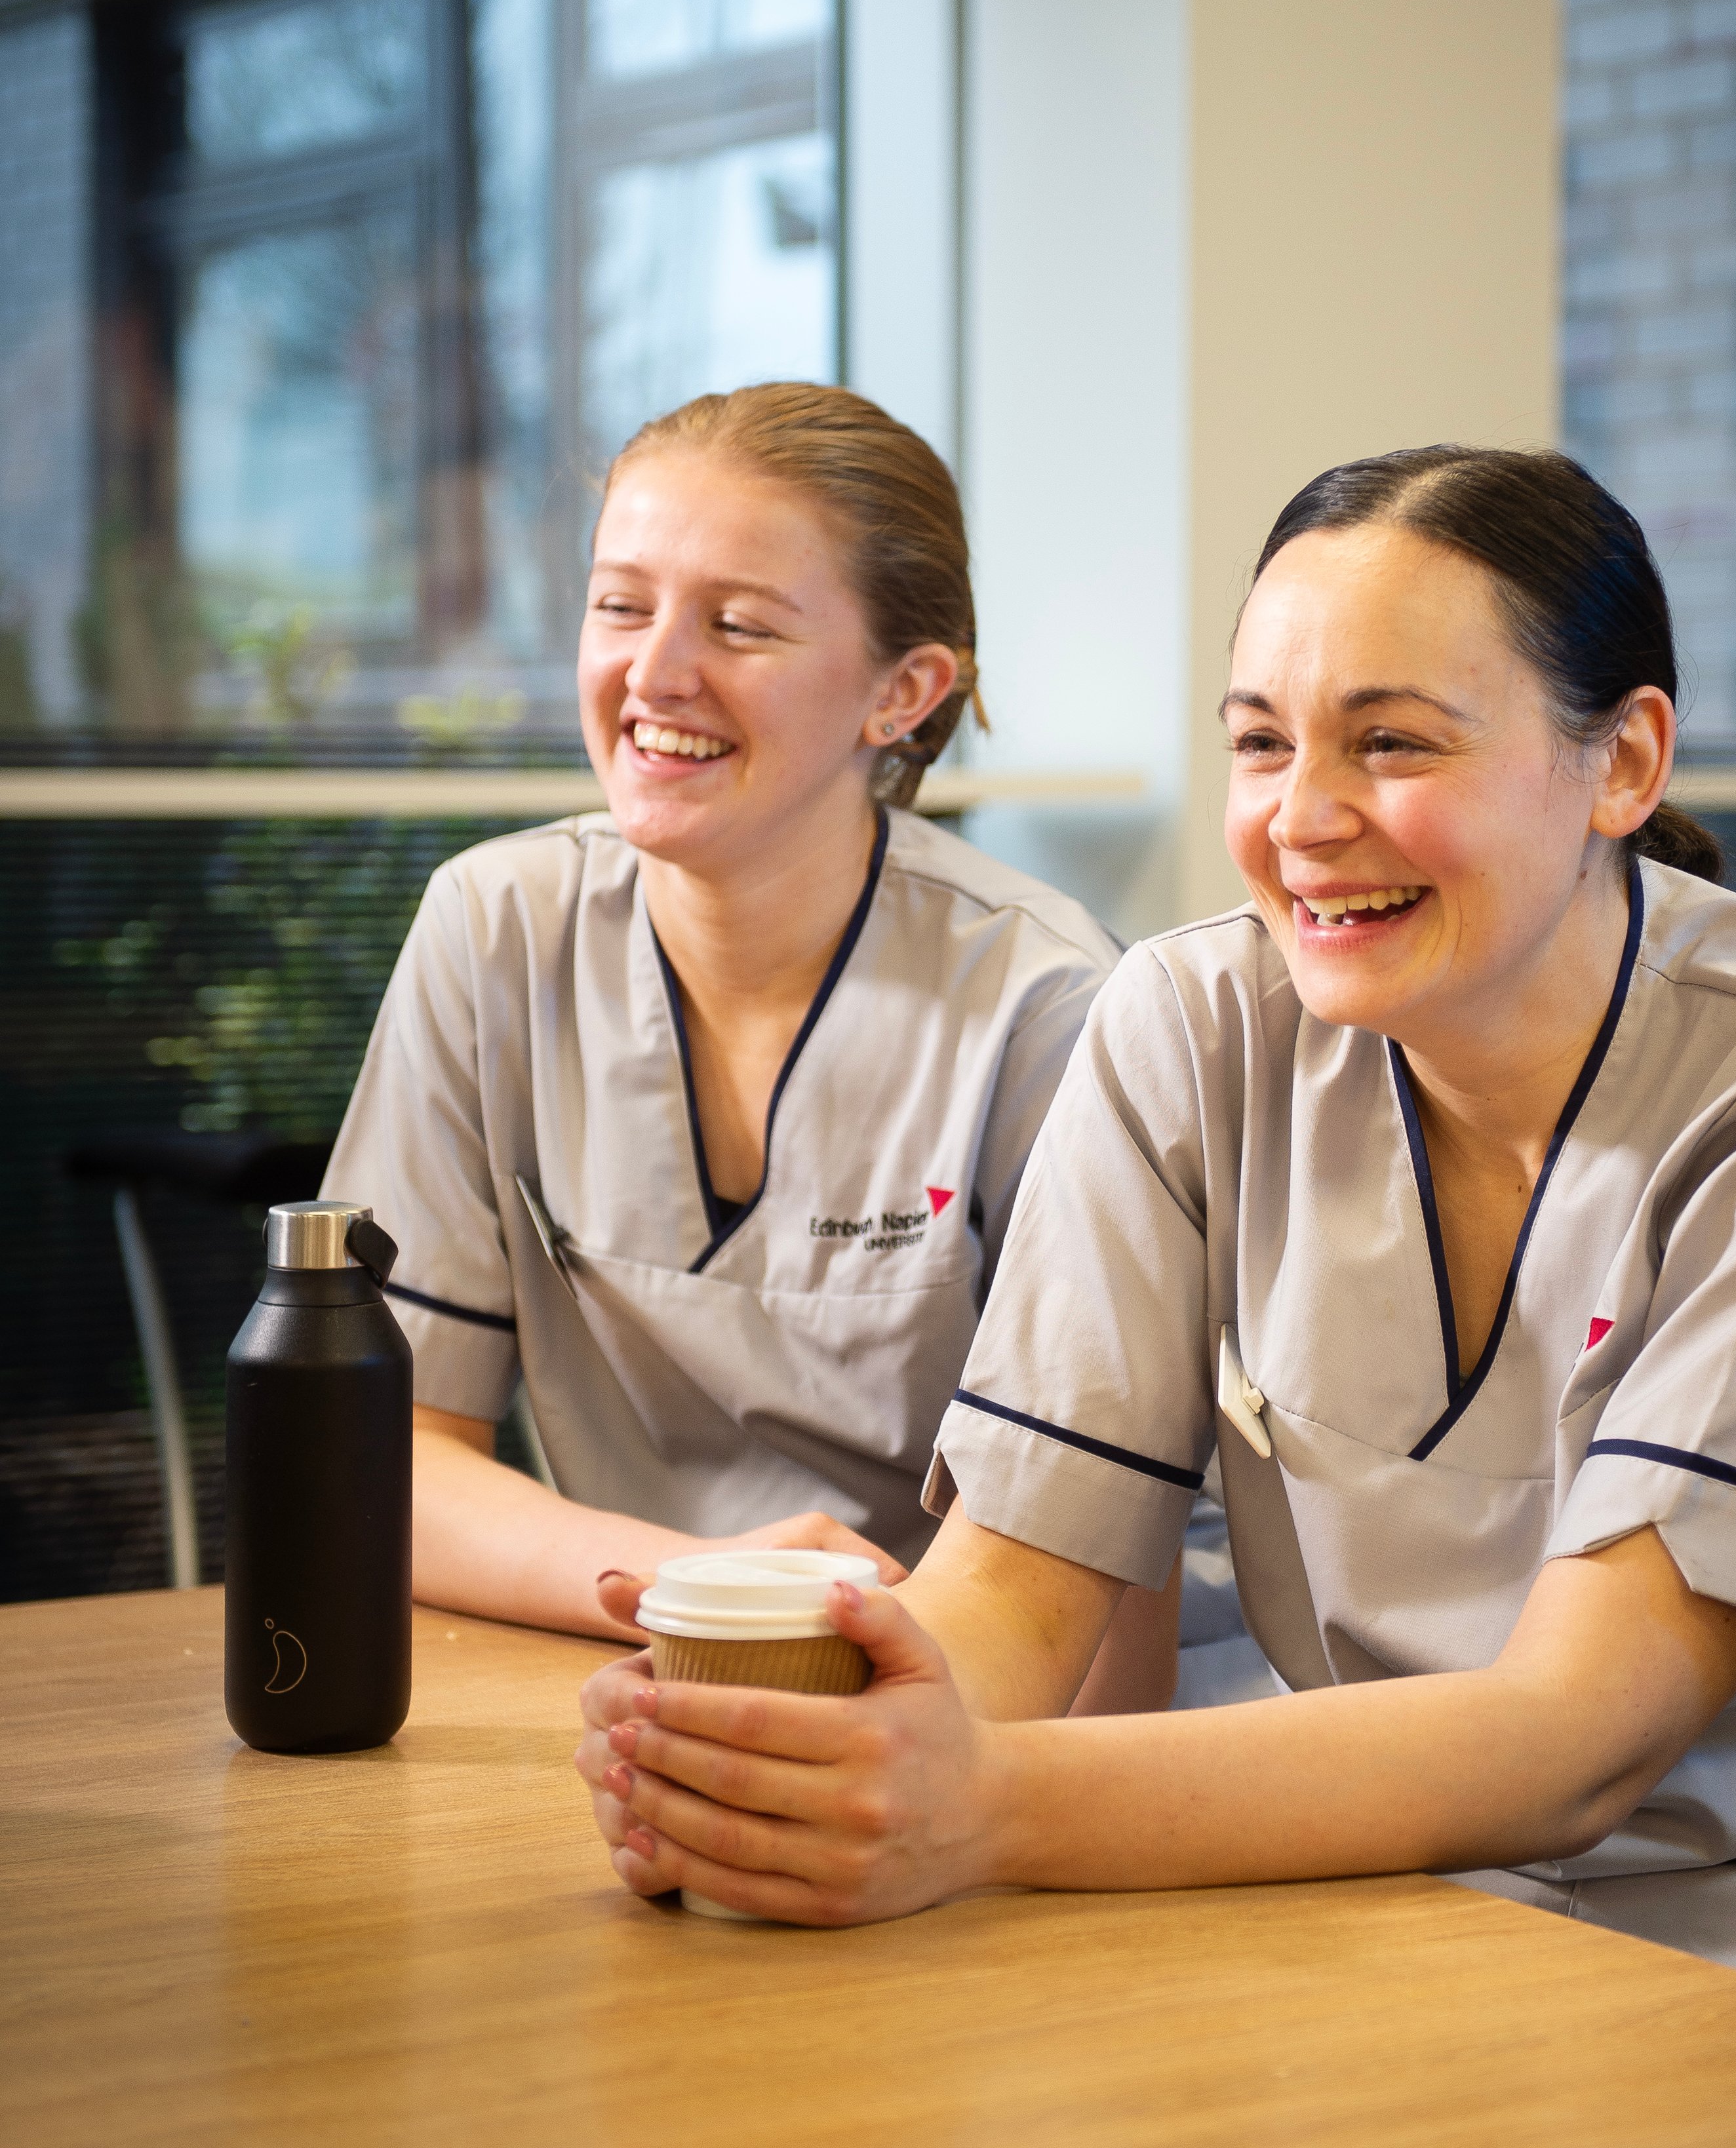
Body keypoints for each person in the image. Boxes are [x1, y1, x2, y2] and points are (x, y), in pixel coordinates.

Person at [578, 445, 1736, 2075]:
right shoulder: (1190, 1026)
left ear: (1621, 760)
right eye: (1261, 742)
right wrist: (784, 1754)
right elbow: (1013, 1592)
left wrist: (975, 1804)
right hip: (1402, 1887)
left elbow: (1577, 1734)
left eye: (1390, 741)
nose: (1302, 821)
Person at [326, 381, 1151, 1668]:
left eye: (739, 625)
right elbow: (388, 1462)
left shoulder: (1047, 1005)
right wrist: (708, 1586)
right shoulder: (496, 928)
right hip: (647, 1654)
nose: (654, 673)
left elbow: (1106, 1598)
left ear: (903, 690)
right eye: (620, 605)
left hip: (967, 1701)